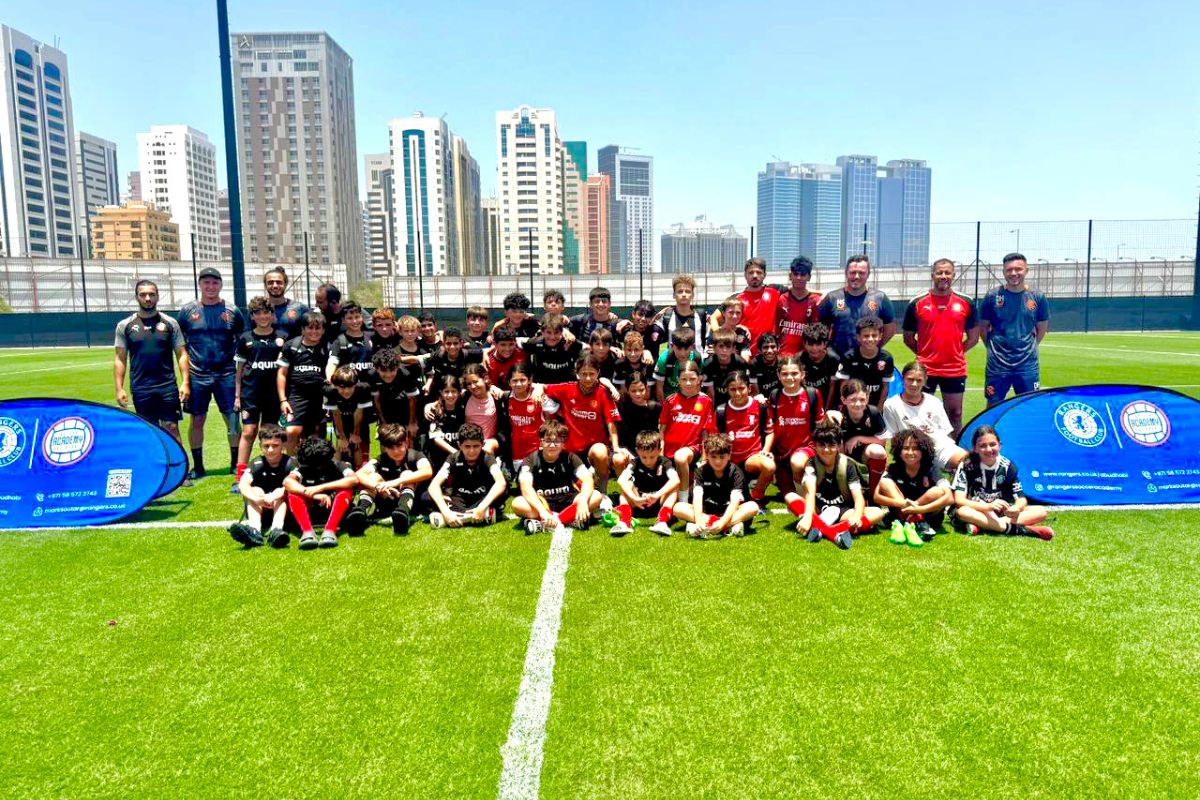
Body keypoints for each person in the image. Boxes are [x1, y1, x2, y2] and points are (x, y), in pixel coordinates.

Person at [178, 267, 244, 484]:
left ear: (220, 285)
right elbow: (181, 346)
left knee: (232, 420)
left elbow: (242, 342)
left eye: (215, 283)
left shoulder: (233, 311)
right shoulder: (187, 312)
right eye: (206, 283)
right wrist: (186, 379)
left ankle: (236, 464)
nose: (210, 287)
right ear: (200, 285)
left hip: (226, 374)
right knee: (197, 420)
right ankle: (198, 467)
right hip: (198, 375)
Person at [903, 258, 980, 435]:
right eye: (939, 272)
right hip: (925, 369)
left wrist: (955, 352)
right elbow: (908, 337)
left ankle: (954, 457)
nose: (943, 276)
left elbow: (974, 337)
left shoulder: (966, 302)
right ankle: (922, 455)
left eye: (947, 272)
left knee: (955, 414)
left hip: (954, 369)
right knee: (920, 414)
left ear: (953, 275)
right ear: (933, 275)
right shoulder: (917, 302)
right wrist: (925, 354)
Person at [785, 419, 886, 549]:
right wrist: (808, 516)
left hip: (844, 511)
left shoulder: (847, 465)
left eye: (832, 445)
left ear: (838, 446)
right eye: (822, 445)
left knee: (877, 513)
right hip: (819, 509)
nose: (827, 450)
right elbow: (809, 493)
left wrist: (857, 515)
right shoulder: (811, 464)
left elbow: (858, 498)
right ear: (815, 446)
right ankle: (834, 534)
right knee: (790, 497)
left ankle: (820, 529)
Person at [113, 280, 189, 449]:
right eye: (143, 295)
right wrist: (119, 388)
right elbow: (120, 359)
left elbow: (181, 354)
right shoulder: (125, 326)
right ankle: (155, 472)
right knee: (149, 430)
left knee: (172, 427)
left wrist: (185, 382)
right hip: (141, 387)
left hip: (167, 386)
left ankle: (179, 473)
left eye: (151, 294)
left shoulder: (170, 323)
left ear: (157, 296)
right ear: (136, 297)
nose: (148, 298)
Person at [952, 425, 1054, 540]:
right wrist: (987, 506)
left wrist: (1017, 508)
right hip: (976, 510)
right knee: (963, 512)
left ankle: (983, 525)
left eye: (992, 444)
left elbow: (1021, 498)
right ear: (975, 448)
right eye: (982, 446)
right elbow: (959, 501)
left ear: (1000, 445)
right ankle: (1019, 530)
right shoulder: (967, 465)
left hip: (998, 514)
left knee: (1041, 511)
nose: (989, 449)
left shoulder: (1007, 466)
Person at [541, 354, 622, 492]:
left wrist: (616, 448)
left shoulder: (603, 392)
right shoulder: (567, 388)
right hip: (570, 450)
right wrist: (538, 390)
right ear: (577, 373)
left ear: (598, 373)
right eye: (583, 374)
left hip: (593, 450)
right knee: (575, 489)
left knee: (600, 452)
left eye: (592, 373)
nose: (588, 378)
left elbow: (611, 423)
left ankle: (603, 492)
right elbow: (542, 387)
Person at [513, 419, 609, 535]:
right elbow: (525, 487)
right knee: (517, 503)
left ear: (563, 444)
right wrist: (543, 511)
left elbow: (588, 479)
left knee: (596, 496)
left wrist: (583, 501)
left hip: (569, 502)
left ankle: (548, 523)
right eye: (548, 441)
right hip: (543, 503)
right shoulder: (530, 460)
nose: (552, 445)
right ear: (541, 442)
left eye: (557, 441)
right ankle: (569, 519)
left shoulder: (570, 457)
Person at [979, 253, 1051, 407]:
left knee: (1029, 406)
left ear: (1026, 270)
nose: (1013, 273)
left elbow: (1042, 327)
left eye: (1018, 269)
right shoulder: (992, 296)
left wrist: (1030, 346)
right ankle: (992, 432)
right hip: (997, 364)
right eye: (1009, 270)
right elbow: (983, 328)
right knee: (993, 406)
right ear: (1003, 272)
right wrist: (993, 348)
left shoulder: (1037, 297)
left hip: (1027, 365)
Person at [345, 423, 433, 537]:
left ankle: (402, 514)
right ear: (385, 448)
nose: (396, 451)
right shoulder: (381, 459)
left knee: (407, 474)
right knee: (373, 477)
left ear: (406, 442)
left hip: (411, 502)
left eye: (399, 445)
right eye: (391, 447)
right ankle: (360, 513)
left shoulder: (416, 455)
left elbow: (427, 471)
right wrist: (377, 486)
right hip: (387, 498)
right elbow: (358, 474)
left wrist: (394, 482)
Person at [882, 362, 968, 473]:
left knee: (970, 463)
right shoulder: (891, 404)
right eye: (910, 379)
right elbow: (891, 437)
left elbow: (945, 433)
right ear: (903, 379)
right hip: (912, 452)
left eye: (919, 380)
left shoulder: (934, 402)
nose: (914, 384)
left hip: (939, 448)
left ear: (925, 380)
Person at [234, 296, 285, 483]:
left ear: (272, 315)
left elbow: (285, 370)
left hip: (273, 396)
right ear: (252, 316)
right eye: (258, 313)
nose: (263, 316)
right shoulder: (245, 338)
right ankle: (240, 476)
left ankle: (272, 472)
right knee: (248, 432)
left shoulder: (281, 338)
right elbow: (239, 370)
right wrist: (237, 396)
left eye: (266, 312)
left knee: (271, 433)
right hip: (251, 394)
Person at [874, 429, 953, 548]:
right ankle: (911, 520)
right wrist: (902, 503)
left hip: (927, 515)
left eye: (915, 448)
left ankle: (916, 520)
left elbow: (950, 498)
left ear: (923, 451)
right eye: (905, 448)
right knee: (885, 482)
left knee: (938, 491)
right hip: (902, 512)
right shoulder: (893, 468)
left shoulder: (931, 469)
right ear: (899, 451)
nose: (910, 452)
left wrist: (918, 508)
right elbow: (876, 496)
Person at [674, 433, 759, 538]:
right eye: (713, 457)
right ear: (707, 455)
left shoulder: (736, 473)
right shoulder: (701, 471)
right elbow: (697, 498)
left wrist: (722, 522)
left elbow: (734, 502)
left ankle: (713, 526)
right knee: (678, 508)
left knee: (753, 507)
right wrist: (700, 521)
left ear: (729, 456)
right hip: (707, 512)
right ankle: (729, 526)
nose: (717, 461)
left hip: (731, 511)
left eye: (722, 457)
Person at [425, 422, 508, 528]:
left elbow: (500, 482)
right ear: (460, 445)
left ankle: (465, 515)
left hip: (481, 498)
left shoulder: (487, 458)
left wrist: (482, 507)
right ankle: (483, 515)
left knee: (504, 490)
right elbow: (433, 486)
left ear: (482, 444)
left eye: (476, 446)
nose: (471, 451)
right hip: (459, 499)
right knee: (427, 497)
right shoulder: (453, 458)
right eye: (467, 446)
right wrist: (446, 512)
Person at [283, 435, 358, 550]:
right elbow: (287, 482)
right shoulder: (302, 468)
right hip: (310, 509)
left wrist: (319, 488)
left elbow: (354, 479)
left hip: (333, 509)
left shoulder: (338, 465)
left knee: (345, 489)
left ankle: (330, 531)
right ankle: (307, 532)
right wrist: (313, 494)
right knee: (293, 492)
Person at [715, 370, 775, 507]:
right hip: (730, 461)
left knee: (770, 466)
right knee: (728, 500)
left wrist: (765, 450)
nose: (737, 393)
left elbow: (770, 431)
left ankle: (757, 494)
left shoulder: (760, 407)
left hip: (751, 458)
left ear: (749, 388)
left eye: (741, 388)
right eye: (733, 389)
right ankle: (740, 484)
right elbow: (715, 438)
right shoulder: (721, 411)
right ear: (727, 391)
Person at [817, 255, 896, 358]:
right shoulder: (832, 298)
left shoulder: (880, 298)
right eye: (853, 272)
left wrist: (874, 347)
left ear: (868, 275)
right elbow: (821, 330)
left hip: (867, 360)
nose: (856, 276)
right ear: (846, 273)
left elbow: (890, 330)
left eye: (861, 273)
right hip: (837, 359)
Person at [659, 360, 716, 502]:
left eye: (692, 379)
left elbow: (706, 433)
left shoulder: (706, 401)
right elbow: (662, 430)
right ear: (678, 380)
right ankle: (684, 489)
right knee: (662, 501)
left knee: (681, 456)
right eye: (684, 379)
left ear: (700, 379)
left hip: (692, 450)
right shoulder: (670, 401)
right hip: (669, 453)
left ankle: (683, 499)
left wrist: (704, 458)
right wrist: (660, 455)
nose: (688, 383)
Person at [229, 424, 293, 549]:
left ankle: (276, 530)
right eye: (266, 446)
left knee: (282, 491)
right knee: (255, 489)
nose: (270, 450)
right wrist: (256, 498)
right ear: (260, 446)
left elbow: (296, 485)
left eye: (275, 446)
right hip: (260, 509)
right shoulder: (257, 463)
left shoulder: (290, 463)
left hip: (284, 512)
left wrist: (275, 495)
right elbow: (243, 484)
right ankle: (255, 531)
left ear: (283, 446)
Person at [609, 430, 680, 537]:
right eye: (644, 457)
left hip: (658, 503)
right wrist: (634, 498)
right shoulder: (635, 463)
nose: (648, 461)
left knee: (674, 489)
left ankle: (662, 522)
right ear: (637, 451)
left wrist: (656, 495)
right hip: (639, 503)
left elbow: (676, 480)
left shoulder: (665, 462)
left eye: (652, 457)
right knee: (626, 486)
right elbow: (621, 480)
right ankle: (624, 522)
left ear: (659, 450)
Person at [276, 311, 329, 453]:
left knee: (316, 434)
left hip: (319, 397)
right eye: (310, 328)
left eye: (317, 328)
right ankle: (292, 466)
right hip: (297, 397)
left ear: (323, 330)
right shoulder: (291, 346)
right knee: (292, 430)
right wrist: (283, 400)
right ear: (303, 329)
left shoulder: (327, 347)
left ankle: (312, 467)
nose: (314, 331)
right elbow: (282, 374)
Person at [770, 355, 823, 493]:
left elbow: (820, 425)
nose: (789, 377)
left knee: (797, 462)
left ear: (802, 374)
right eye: (785, 374)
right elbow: (770, 428)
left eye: (794, 373)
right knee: (786, 493)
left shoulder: (812, 394)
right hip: (782, 453)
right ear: (778, 375)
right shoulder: (774, 396)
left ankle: (806, 485)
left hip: (806, 448)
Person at [826, 379, 888, 495]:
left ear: (867, 399)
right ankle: (840, 484)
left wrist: (858, 438)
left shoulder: (873, 412)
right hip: (843, 455)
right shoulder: (837, 416)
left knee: (878, 451)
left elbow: (883, 441)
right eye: (853, 400)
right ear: (843, 400)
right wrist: (828, 414)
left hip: (864, 454)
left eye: (862, 399)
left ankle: (873, 491)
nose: (858, 404)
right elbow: (831, 445)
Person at [835, 315, 894, 412]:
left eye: (874, 335)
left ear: (880, 336)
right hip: (853, 406)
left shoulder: (886, 358)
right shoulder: (849, 357)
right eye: (866, 336)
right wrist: (845, 407)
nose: (870, 339)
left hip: (875, 406)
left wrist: (878, 409)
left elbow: (885, 387)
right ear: (858, 337)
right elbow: (843, 386)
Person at [612, 372, 661, 476]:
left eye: (641, 390)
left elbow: (660, 432)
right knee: (618, 459)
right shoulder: (621, 405)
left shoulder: (655, 407)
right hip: (627, 448)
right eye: (633, 391)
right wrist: (612, 388)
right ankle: (625, 490)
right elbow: (602, 380)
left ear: (646, 387)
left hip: (648, 449)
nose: (637, 393)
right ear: (627, 390)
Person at [323, 366, 373, 467]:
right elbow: (336, 414)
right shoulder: (329, 391)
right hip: (340, 418)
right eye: (342, 387)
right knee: (339, 444)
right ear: (335, 385)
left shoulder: (364, 388)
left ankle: (359, 469)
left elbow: (358, 412)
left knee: (357, 444)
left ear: (356, 384)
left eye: (350, 387)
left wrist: (356, 433)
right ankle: (337, 470)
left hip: (359, 419)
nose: (346, 391)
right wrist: (342, 437)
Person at [733, 257, 782, 354]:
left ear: (764, 275)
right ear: (745, 275)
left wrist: (819, 294)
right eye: (751, 272)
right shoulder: (737, 299)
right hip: (745, 356)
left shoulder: (775, 294)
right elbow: (714, 318)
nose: (755, 276)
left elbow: (798, 290)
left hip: (768, 356)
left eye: (758, 272)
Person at [776, 256, 823, 357]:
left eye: (803, 274)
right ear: (790, 275)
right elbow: (776, 328)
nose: (799, 278)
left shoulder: (815, 301)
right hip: (783, 355)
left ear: (809, 277)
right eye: (796, 274)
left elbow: (816, 331)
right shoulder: (782, 299)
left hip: (806, 355)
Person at [501, 363, 544, 469]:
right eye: (514, 380)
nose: (518, 384)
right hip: (517, 451)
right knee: (521, 481)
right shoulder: (506, 398)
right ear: (509, 382)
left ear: (529, 380)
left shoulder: (539, 398)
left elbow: (550, 423)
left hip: (537, 450)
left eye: (522, 380)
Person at [657, 274, 708, 359]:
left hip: (696, 367)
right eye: (680, 291)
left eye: (687, 291)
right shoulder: (667, 316)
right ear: (674, 295)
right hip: (674, 368)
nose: (684, 294)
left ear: (693, 295)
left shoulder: (701, 315)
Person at [526, 314, 583, 385]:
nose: (552, 337)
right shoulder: (534, 343)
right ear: (542, 332)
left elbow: (587, 350)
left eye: (556, 333)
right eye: (548, 332)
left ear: (562, 332)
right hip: (542, 385)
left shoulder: (570, 342)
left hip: (566, 385)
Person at [426, 375, 467, 469]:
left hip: (460, 454)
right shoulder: (435, 410)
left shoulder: (463, 409)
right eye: (446, 391)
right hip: (439, 456)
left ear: (459, 392)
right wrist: (456, 453)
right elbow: (437, 439)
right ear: (441, 392)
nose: (450, 395)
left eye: (454, 391)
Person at [799, 322, 841, 410]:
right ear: (804, 344)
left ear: (825, 344)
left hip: (826, 402)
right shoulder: (798, 359)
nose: (814, 348)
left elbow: (832, 386)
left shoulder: (833, 360)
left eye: (818, 344)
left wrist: (826, 410)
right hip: (804, 403)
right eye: (810, 344)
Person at [653, 327, 702, 402]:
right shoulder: (664, 359)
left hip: (690, 400)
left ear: (693, 347)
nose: (682, 354)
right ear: (672, 346)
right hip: (669, 401)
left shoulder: (697, 358)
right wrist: (665, 409)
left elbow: (698, 385)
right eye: (678, 348)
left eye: (686, 349)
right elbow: (659, 388)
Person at [263, 267, 309, 340]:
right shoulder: (258, 310)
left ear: (285, 284)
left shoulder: (300, 309)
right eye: (270, 282)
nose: (275, 286)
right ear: (265, 285)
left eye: (279, 282)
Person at [612, 330, 655, 395]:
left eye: (636, 350)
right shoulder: (619, 364)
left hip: (644, 398)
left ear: (642, 349)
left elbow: (647, 394)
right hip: (628, 397)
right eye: (629, 350)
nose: (633, 354)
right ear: (624, 350)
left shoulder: (648, 363)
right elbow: (623, 392)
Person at [749, 333, 782, 398]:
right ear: (759, 350)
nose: (769, 351)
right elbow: (755, 391)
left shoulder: (782, 363)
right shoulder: (753, 365)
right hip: (762, 399)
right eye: (765, 347)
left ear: (778, 348)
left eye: (773, 347)